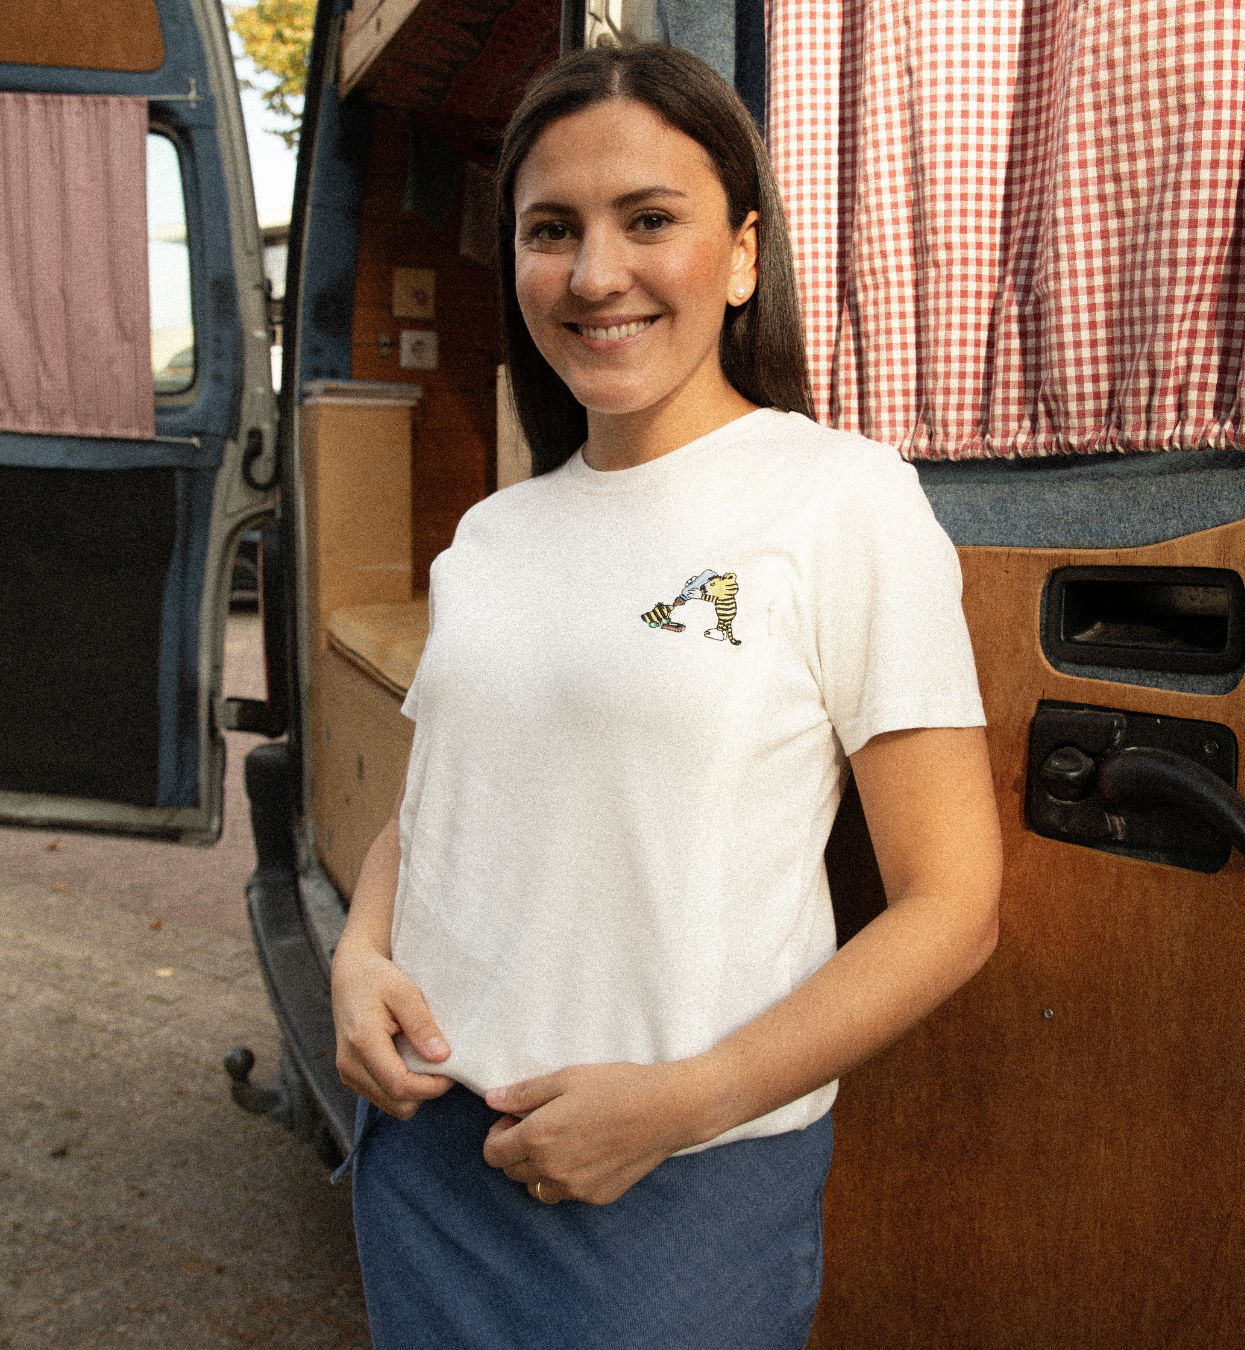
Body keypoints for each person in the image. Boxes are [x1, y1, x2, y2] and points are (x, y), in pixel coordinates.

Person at [331, 42, 1002, 1350]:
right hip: (424, 1152)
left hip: (674, 1186)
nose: (595, 274)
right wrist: (360, 957)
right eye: (551, 229)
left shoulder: (842, 501)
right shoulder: (492, 537)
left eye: (648, 220)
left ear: (742, 255)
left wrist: (690, 1100)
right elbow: (436, 815)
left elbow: (953, 906)